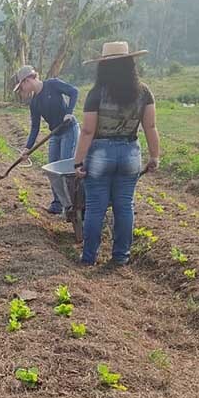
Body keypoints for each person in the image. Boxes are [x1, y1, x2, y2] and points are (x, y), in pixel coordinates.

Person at [72, 41, 160, 266]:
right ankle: (121, 257)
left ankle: (89, 257)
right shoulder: (143, 92)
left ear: (103, 67)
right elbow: (150, 127)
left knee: (96, 207)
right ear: (130, 64)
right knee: (124, 206)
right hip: (130, 152)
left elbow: (88, 131)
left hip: (101, 154)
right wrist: (154, 156)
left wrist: (78, 162)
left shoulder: (96, 94)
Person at [12, 65, 80, 215]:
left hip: (69, 130)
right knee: (53, 169)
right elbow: (35, 128)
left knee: (65, 168)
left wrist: (69, 113)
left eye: (21, 87)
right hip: (55, 134)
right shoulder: (34, 103)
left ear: (27, 80)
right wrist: (27, 148)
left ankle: (71, 206)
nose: (22, 91)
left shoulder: (52, 84)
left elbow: (74, 92)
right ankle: (57, 204)